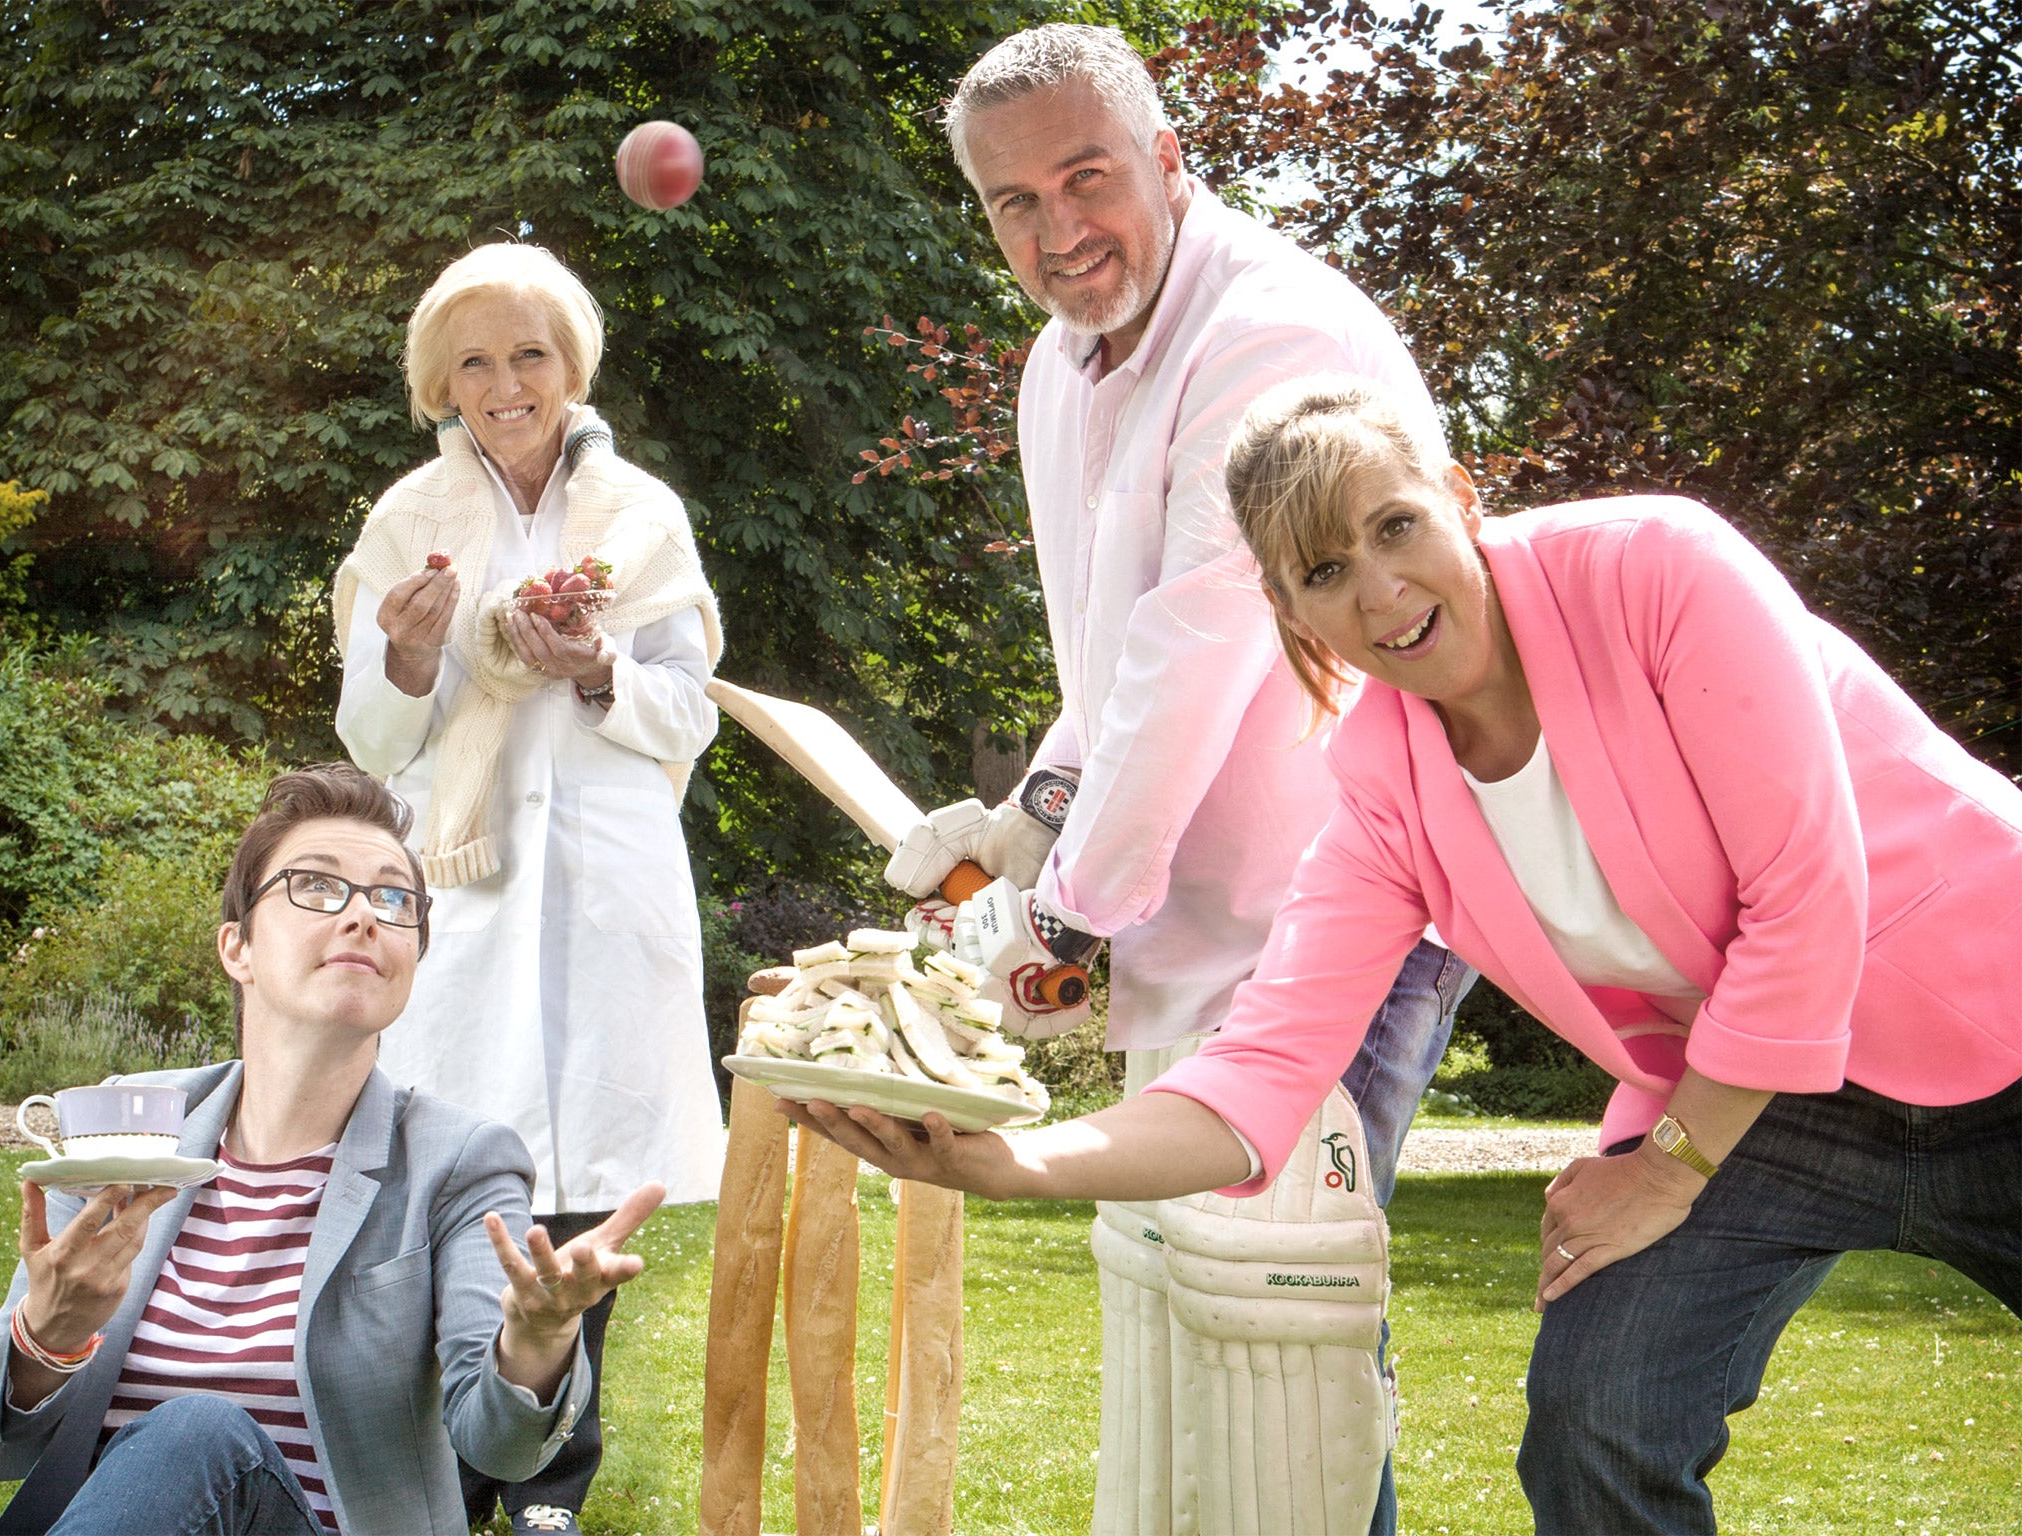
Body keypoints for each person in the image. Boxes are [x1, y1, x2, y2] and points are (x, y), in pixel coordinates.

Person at [792, 375, 2022, 1534]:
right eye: (1325, 570)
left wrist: (1664, 1167)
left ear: (1460, 498)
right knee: (1597, 1422)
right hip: (1754, 1108)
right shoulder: (1379, 787)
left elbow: (1805, 898)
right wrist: (1014, 1160)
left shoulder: (1655, 568)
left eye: (1394, 526)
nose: (1379, 590)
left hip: (1984, 1016)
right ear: (1289, 610)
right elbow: (1261, 1071)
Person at [879, 24, 1473, 1535]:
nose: (1059, 229)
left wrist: (1062, 922)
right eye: (1015, 203)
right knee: (1189, 1318)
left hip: (1353, 898)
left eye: (1087, 178)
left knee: (1288, 1314)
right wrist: (1031, 813)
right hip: (1207, 919)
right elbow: (1119, 654)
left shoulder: (1271, 338)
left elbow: (1213, 642)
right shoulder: (1057, 369)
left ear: (1168, 158)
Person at [0, 763, 665, 1536]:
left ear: (411, 958)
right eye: (316, 886)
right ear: (237, 948)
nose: (363, 916)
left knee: (203, 1437)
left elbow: (502, 1448)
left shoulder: (460, 1160)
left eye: (393, 898)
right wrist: (49, 1336)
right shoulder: (131, 1125)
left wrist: (538, 1338)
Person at [331, 242, 723, 1533]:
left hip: (604, 878)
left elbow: (688, 712)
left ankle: (550, 1484)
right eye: (478, 360)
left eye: (531, 353)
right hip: (465, 883)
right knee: (455, 1166)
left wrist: (602, 665)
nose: (507, 382)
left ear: (574, 366)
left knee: (583, 1184)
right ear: (441, 380)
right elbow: (375, 745)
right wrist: (402, 659)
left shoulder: (643, 517)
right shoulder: (407, 522)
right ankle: (450, 1465)